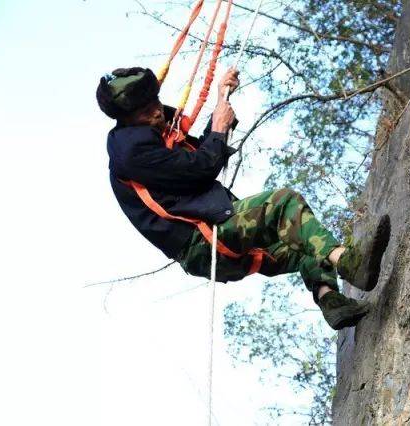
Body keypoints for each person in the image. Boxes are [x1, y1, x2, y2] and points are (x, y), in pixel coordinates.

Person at [96, 66, 391, 330]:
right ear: (127, 119)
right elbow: (201, 169)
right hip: (203, 242)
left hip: (209, 245)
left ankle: (332, 302)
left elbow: (199, 154)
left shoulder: (153, 135)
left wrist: (220, 104)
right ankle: (349, 263)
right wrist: (220, 127)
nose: (157, 112)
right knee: (283, 203)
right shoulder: (131, 150)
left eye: (155, 103)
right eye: (145, 111)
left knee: (303, 242)